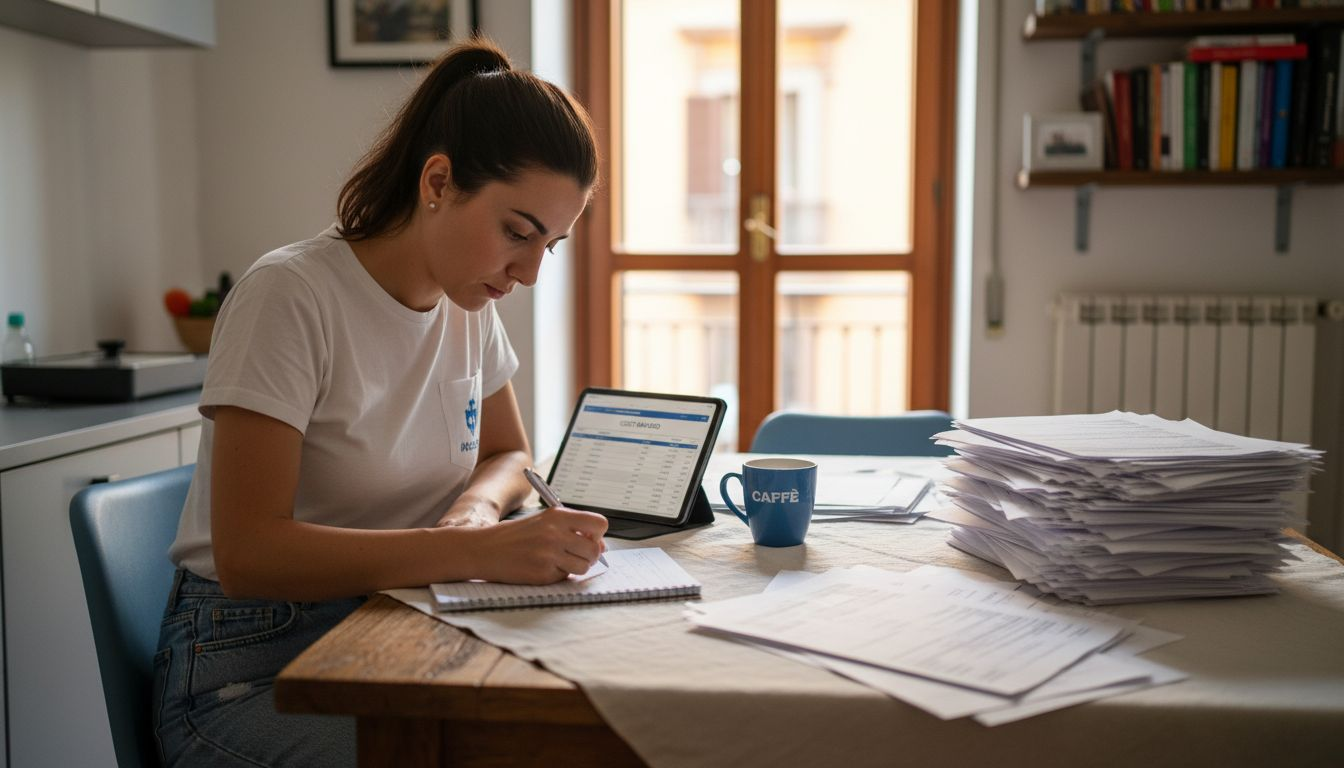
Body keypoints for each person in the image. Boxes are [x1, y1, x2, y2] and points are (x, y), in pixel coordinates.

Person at [153, 38, 607, 768]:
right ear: (439, 181)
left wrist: (477, 509)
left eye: (548, 246)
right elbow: (248, 554)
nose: (527, 273)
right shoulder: (289, 296)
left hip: (401, 623)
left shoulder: (468, 303)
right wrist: (468, 551)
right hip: (252, 662)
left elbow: (508, 453)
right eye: (517, 233)